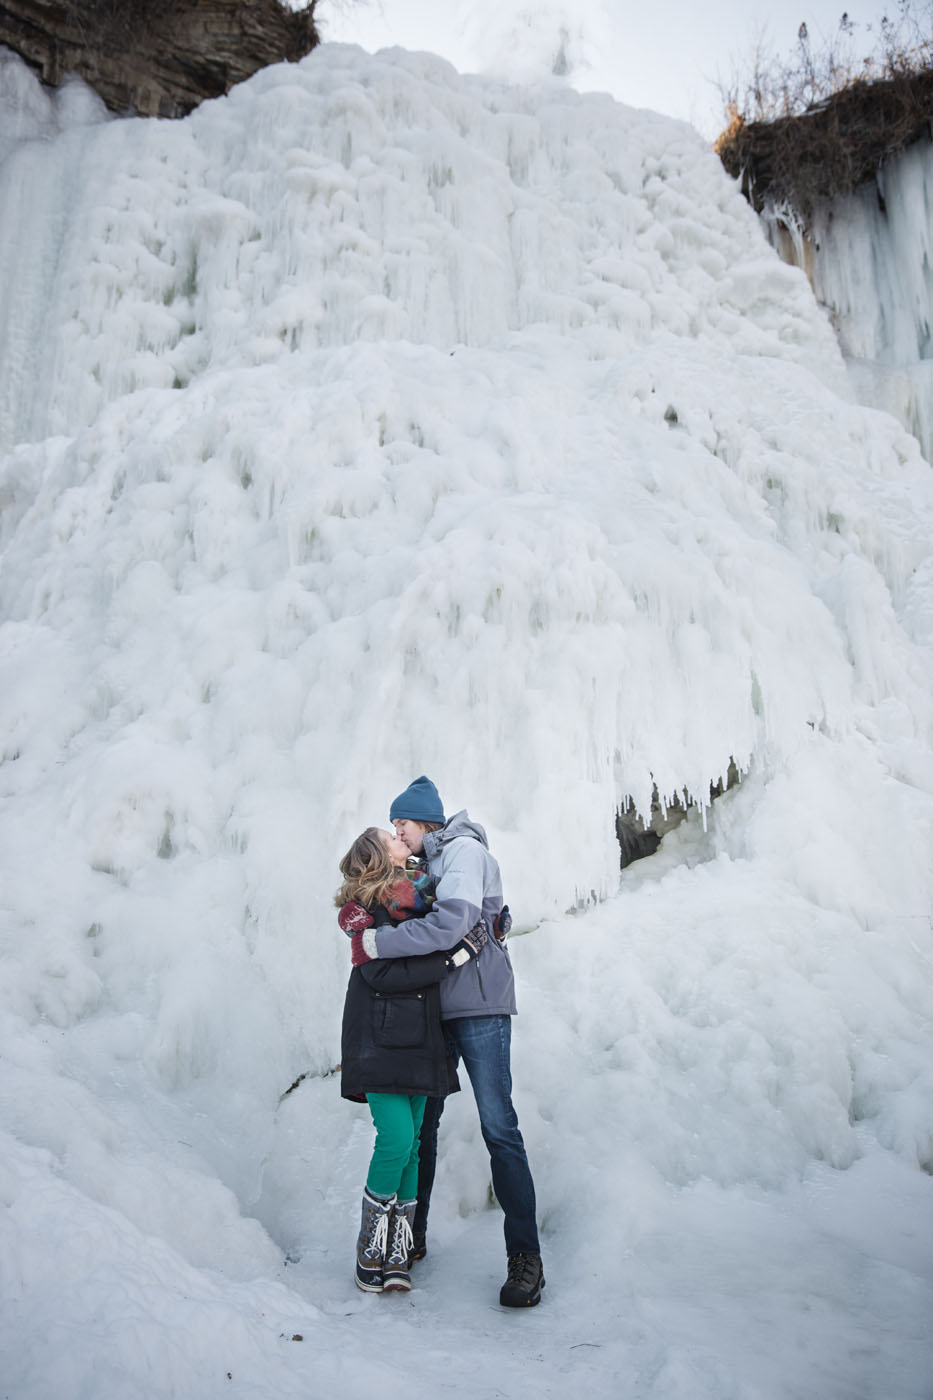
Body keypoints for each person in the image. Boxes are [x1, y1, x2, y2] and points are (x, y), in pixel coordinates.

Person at [344, 777, 545, 1308]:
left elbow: (453, 922)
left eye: (401, 823)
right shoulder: (425, 864)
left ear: (424, 821)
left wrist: (375, 943)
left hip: (478, 1006)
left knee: (498, 1126)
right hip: (430, 1010)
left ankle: (525, 1259)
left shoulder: (462, 851)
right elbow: (379, 895)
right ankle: (410, 1240)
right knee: (421, 1128)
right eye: (393, 827)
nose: (397, 832)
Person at [337, 825, 486, 1294]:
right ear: (378, 857)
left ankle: (397, 1251)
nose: (403, 841)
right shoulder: (367, 909)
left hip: (422, 1034)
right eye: (393, 838)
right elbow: (381, 971)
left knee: (416, 1140)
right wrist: (453, 959)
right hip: (378, 1038)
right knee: (397, 1138)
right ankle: (370, 1246)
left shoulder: (423, 898)